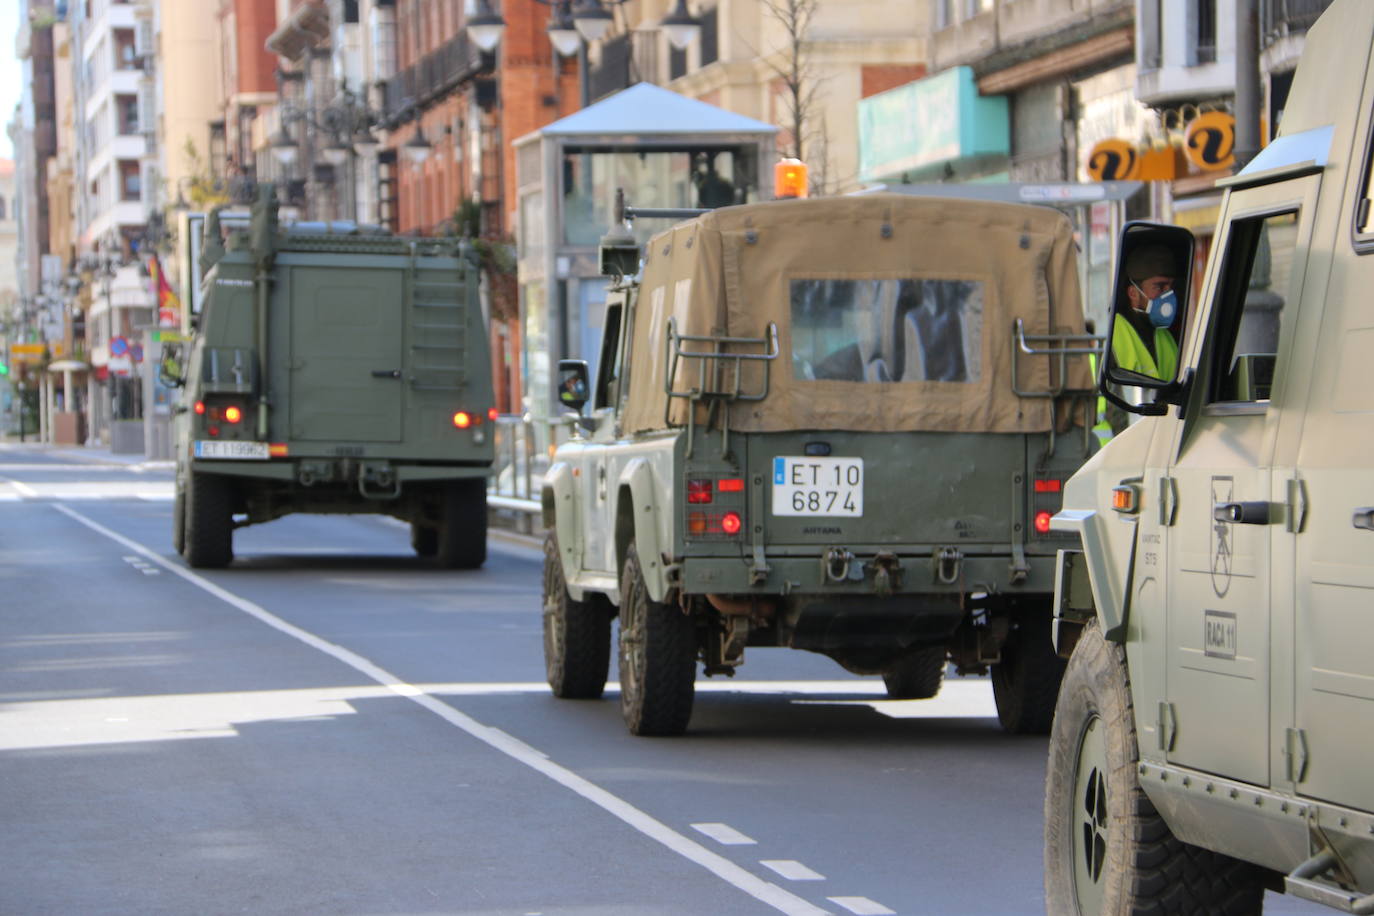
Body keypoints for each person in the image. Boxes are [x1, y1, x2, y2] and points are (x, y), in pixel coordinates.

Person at [1113, 244, 1180, 380]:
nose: (1168, 295)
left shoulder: (1165, 336)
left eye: (1171, 287)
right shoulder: (1114, 333)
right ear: (1133, 293)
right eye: (1160, 287)